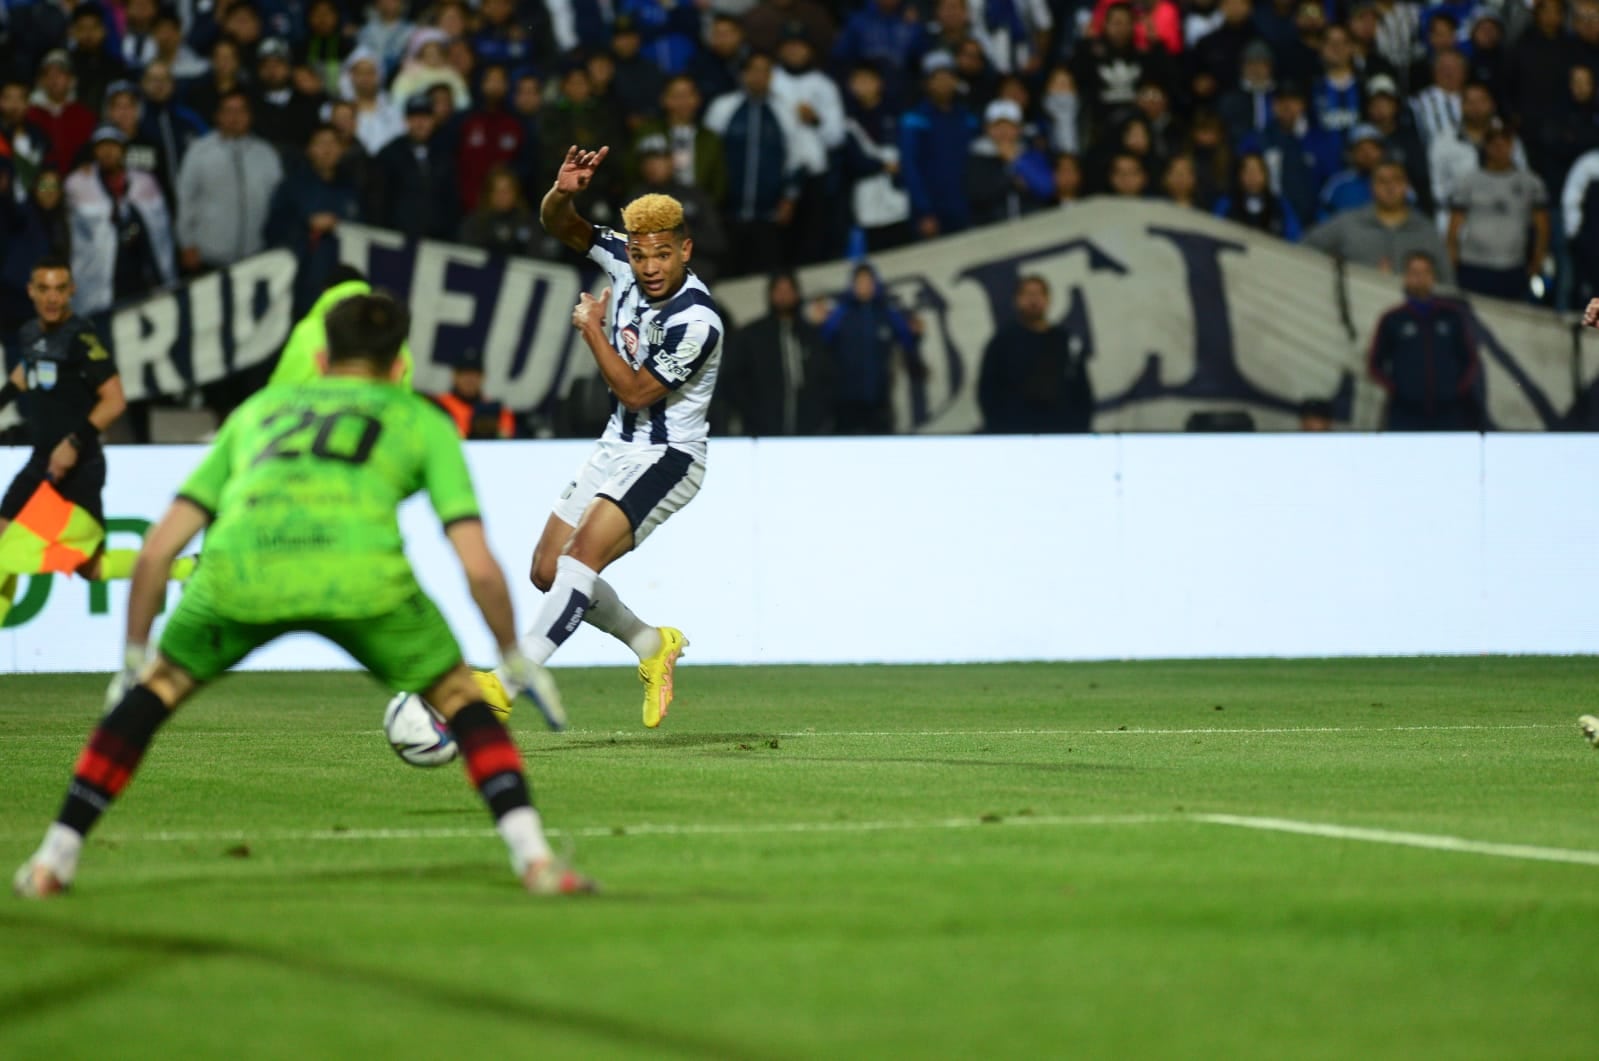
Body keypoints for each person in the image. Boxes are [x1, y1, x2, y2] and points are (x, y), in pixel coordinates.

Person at [10, 292, 590, 901]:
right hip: (361, 581)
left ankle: (53, 862)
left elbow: (157, 551)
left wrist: (132, 657)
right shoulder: (419, 419)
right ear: (398, 368)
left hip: (241, 572)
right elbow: (479, 565)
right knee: (458, 699)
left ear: (319, 358)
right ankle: (536, 861)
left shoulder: (260, 411)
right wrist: (513, 655)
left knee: (154, 695)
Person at [0, 257, 186, 624]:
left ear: (72, 291)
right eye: (44, 289)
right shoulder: (29, 334)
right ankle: (182, 569)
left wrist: (73, 441)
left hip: (79, 468)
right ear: (31, 291)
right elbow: (27, 372)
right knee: (23, 548)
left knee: (81, 566)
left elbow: (114, 399)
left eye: (59, 289)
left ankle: (181, 570)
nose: (52, 298)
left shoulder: (82, 340)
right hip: (41, 461)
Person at [64, 124, 176, 315]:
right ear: (94, 151)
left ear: (123, 150)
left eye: (113, 146)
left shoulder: (144, 182)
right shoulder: (78, 183)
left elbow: (161, 230)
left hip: (140, 277)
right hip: (98, 282)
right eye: (102, 146)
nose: (108, 152)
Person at [1367, 251, 1479, 430]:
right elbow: (1374, 364)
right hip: (1405, 413)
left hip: (1448, 412)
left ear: (1432, 277)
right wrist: (1399, 390)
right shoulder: (1393, 318)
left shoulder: (1451, 316)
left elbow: (1470, 360)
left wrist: (1454, 390)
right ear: (1405, 277)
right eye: (1413, 272)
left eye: (1425, 272)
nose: (1419, 277)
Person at [175, 91, 283, 273]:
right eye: (229, 111)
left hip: (256, 254)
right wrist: (186, 243)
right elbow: (185, 200)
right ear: (218, 115)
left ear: (250, 116)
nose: (235, 117)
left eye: (241, 111)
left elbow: (278, 202)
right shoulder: (199, 152)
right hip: (208, 256)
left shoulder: (266, 154)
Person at [978, 274, 1094, 433]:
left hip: (1061, 432)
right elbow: (987, 391)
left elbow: (1082, 391)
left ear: (1048, 299)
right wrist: (1000, 429)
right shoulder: (1002, 343)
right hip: (1015, 432)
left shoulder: (1065, 341)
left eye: (1039, 294)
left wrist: (1079, 428)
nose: (1033, 300)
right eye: (1027, 294)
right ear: (1016, 300)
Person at [1446, 123, 1550, 301]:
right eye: (1493, 143)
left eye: (1504, 142)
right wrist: (1452, 256)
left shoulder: (1530, 183)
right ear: (1486, 146)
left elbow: (1542, 226)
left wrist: (1537, 259)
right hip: (1473, 264)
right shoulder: (1469, 181)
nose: (1499, 148)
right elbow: (1455, 223)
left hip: (1512, 265)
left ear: (1512, 146)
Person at [723, 271, 833, 435]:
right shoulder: (752, 335)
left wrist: (819, 414)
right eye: (779, 291)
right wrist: (751, 412)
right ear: (770, 294)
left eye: (788, 291)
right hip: (762, 432)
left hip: (807, 432)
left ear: (797, 294)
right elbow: (733, 378)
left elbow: (827, 377)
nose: (783, 296)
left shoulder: (811, 336)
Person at [268, 265, 414, 388]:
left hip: (314, 418)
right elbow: (404, 395)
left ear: (326, 291)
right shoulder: (389, 329)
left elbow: (281, 388)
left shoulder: (309, 329)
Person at [818, 261, 922, 433]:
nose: (864, 286)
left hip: (879, 401)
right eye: (860, 282)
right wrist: (819, 325)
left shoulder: (888, 314)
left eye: (868, 281)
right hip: (846, 403)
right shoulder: (840, 314)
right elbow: (822, 342)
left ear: (875, 284)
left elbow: (908, 341)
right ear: (852, 285)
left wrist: (916, 333)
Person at [1304, 160, 1452, 281]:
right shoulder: (1348, 223)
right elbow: (1303, 250)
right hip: (1359, 308)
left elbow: (1447, 281)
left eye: (1396, 180)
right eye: (1382, 181)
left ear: (1407, 186)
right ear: (1371, 187)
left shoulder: (1425, 230)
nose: (1390, 187)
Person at [434, 350, 516, 439]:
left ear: (483, 377)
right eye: (464, 373)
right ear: (454, 376)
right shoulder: (437, 406)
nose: (469, 379)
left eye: (474, 374)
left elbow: (507, 439)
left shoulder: (497, 411)